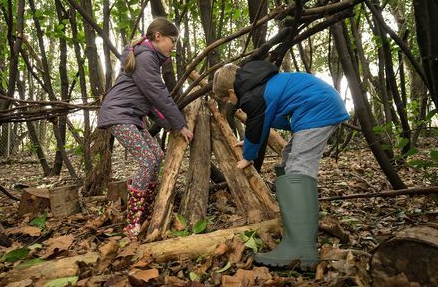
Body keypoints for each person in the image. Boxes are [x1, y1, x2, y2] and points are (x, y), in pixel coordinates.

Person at [212, 60, 349, 270]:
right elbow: (266, 120)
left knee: (298, 167)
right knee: (289, 157)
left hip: (318, 111)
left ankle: (302, 248)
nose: (229, 102)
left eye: (226, 98)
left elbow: (257, 124)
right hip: (317, 108)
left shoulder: (252, 95)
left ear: (232, 90)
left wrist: (248, 155)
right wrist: (248, 141)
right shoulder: (261, 85)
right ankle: (295, 234)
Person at [97, 18, 194, 239]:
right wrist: (180, 124)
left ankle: (146, 209)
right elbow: (158, 95)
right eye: (173, 40)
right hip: (119, 115)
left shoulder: (147, 57)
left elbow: (151, 104)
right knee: (148, 160)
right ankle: (133, 222)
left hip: (130, 116)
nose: (174, 46)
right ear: (158, 36)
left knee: (156, 155)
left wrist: (170, 124)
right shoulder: (147, 58)